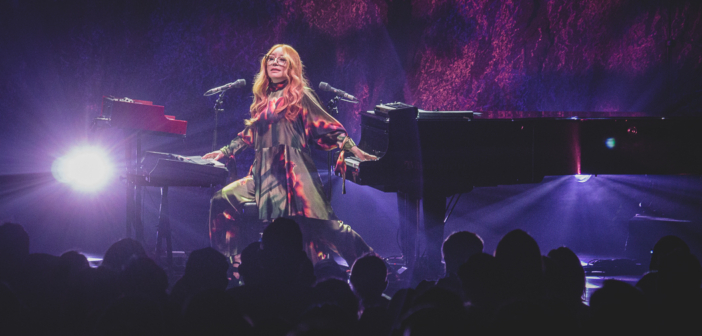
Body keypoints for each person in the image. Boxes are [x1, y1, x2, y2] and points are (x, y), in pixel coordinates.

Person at [203, 44, 374, 265]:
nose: (275, 63)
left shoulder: (300, 95)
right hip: (262, 177)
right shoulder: (263, 98)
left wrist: (353, 148)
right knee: (222, 199)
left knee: (327, 228)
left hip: (293, 177)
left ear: (291, 67)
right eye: (271, 59)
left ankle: (371, 263)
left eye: (282, 60)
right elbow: (251, 133)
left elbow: (328, 126)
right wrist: (225, 151)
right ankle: (232, 263)